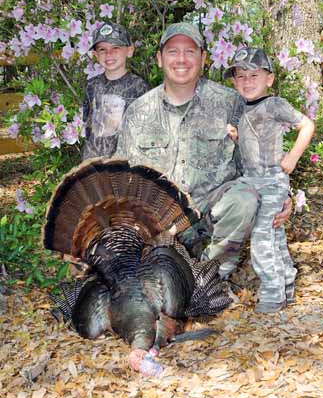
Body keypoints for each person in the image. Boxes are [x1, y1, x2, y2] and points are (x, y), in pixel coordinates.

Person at [116, 22, 292, 280]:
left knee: (245, 198)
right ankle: (170, 271)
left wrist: (282, 193)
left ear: (203, 58)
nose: (181, 60)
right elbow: (123, 177)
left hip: (210, 213)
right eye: (173, 51)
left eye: (190, 51)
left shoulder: (230, 103)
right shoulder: (138, 111)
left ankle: (208, 278)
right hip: (159, 219)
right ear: (159, 59)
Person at [224, 47, 315, 313]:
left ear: (269, 79)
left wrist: (293, 158)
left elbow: (307, 125)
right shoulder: (241, 107)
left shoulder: (274, 104)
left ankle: (273, 295)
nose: (247, 81)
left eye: (254, 75)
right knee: (274, 235)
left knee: (263, 238)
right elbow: (254, 141)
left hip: (273, 181)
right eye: (240, 76)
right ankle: (286, 285)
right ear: (233, 81)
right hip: (252, 181)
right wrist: (237, 138)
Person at [82, 22, 149, 159]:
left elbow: (145, 133)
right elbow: (88, 124)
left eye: (116, 48)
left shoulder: (139, 87)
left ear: (129, 51)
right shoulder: (92, 86)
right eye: (102, 50)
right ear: (95, 54)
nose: (109, 54)